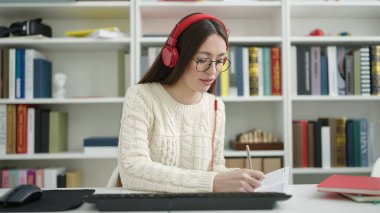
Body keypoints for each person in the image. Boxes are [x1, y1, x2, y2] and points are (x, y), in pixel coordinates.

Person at [117, 13, 264, 193]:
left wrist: (238, 177)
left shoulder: (216, 107)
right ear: (174, 56)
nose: (213, 71)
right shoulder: (141, 97)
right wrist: (212, 182)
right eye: (202, 60)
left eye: (219, 61)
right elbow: (132, 170)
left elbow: (215, 168)